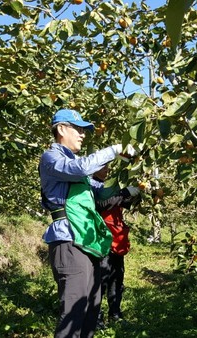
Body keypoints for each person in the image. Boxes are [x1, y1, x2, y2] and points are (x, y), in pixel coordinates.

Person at [39, 109, 136, 338]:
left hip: (87, 241)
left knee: (91, 308)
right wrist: (114, 149)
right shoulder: (52, 158)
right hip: (69, 241)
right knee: (73, 312)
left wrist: (130, 184)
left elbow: (102, 192)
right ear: (62, 129)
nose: (83, 135)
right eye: (78, 129)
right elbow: (81, 168)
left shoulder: (77, 166)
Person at [92, 164, 141, 327]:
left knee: (117, 276)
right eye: (103, 167)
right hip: (102, 238)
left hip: (117, 238)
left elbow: (125, 204)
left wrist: (138, 194)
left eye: (107, 167)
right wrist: (122, 193)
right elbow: (100, 206)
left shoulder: (112, 185)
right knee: (101, 278)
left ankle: (115, 313)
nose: (107, 170)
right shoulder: (92, 185)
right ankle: (96, 316)